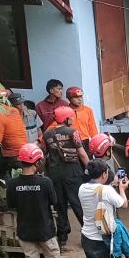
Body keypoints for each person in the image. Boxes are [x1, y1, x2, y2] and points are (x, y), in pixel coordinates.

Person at [6, 144, 83, 258]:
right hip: (45, 230)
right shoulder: (45, 182)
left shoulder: (12, 184)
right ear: (37, 161)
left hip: (24, 230)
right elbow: (54, 202)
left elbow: (11, 205)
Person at [78, 159, 128, 258]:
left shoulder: (82, 188)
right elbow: (123, 204)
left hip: (87, 237)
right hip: (102, 239)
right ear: (104, 173)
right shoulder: (106, 191)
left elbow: (97, 191)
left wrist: (111, 186)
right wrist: (122, 188)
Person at [43, 106, 90, 248]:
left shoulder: (47, 134)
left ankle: (62, 237)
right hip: (72, 171)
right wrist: (90, 168)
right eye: (71, 117)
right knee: (77, 203)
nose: (72, 119)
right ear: (66, 118)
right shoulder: (72, 132)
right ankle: (88, 234)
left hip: (54, 173)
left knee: (59, 205)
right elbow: (81, 153)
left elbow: (46, 152)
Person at [0, 91, 27, 183]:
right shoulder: (15, 111)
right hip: (20, 150)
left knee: (0, 173)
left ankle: (8, 191)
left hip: (12, 152)